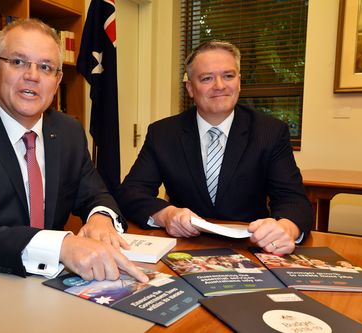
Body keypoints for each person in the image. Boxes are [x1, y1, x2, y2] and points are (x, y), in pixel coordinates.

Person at [0, 18, 147, 284]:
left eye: (45, 67)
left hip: (37, 283)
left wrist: (101, 218)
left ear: (56, 82)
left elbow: (96, 193)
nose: (32, 75)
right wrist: (61, 246)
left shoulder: (68, 131)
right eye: (18, 62)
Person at [116, 40, 312, 255]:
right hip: (185, 247)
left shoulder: (270, 132)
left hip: (251, 247)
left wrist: (286, 228)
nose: (220, 85)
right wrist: (167, 215)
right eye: (207, 78)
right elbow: (131, 192)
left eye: (228, 76)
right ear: (190, 88)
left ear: (239, 82)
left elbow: (293, 200)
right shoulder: (163, 133)